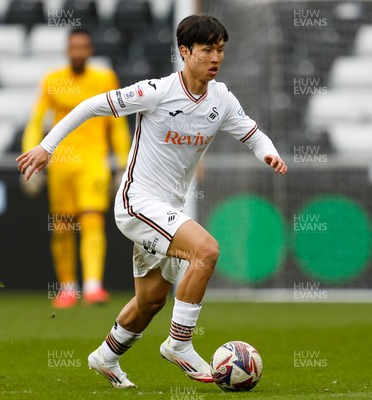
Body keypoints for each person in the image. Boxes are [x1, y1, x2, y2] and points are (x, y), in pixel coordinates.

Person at [17, 15, 287, 388]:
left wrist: (269, 154)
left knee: (151, 300)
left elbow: (253, 135)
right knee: (206, 251)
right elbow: (91, 106)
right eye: (207, 49)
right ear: (184, 52)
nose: (216, 58)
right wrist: (48, 147)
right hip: (137, 203)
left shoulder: (221, 99)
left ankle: (106, 356)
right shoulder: (156, 91)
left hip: (170, 210)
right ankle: (180, 344)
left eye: (220, 50)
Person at [21, 28, 131, 308]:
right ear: (67, 50)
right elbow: (36, 120)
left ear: (89, 50)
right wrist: (29, 159)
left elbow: (117, 123)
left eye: (83, 47)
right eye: (74, 47)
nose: (78, 52)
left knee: (92, 218)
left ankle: (93, 285)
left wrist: (123, 163)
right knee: (62, 225)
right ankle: (67, 287)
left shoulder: (104, 78)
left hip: (94, 162)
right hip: (61, 164)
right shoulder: (53, 81)